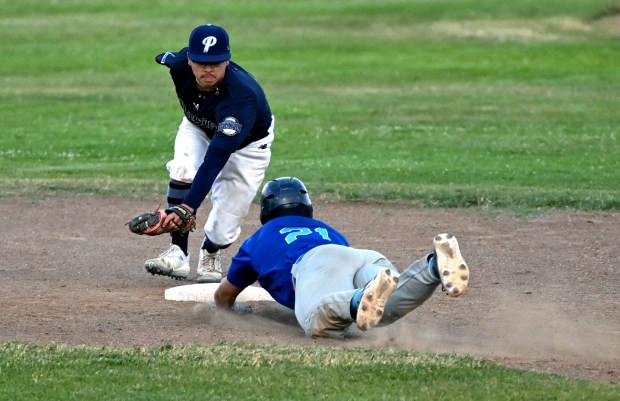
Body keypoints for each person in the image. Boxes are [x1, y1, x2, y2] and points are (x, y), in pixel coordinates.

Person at [214, 177, 470, 338]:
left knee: (318, 322)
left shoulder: (258, 239)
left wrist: (228, 311)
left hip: (315, 264)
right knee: (385, 307)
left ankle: (358, 299)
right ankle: (433, 268)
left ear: (267, 210)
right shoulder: (327, 230)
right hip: (362, 256)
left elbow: (224, 295)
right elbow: (341, 265)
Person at [144, 24, 275, 283]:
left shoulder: (241, 98)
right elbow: (165, 57)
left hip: (247, 146)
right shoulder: (179, 65)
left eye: (215, 63)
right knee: (183, 167)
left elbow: (214, 160)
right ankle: (178, 253)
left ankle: (210, 251)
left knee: (224, 227)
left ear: (227, 60)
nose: (208, 69)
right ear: (190, 60)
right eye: (201, 62)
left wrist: (188, 207)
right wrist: (183, 208)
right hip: (198, 126)